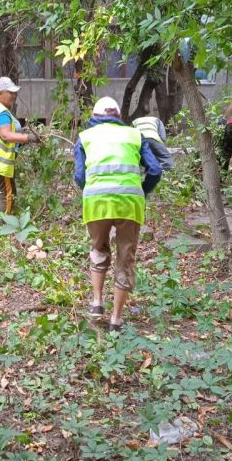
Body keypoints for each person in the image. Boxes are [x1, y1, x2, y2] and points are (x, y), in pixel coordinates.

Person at [74, 96, 162, 331]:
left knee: (98, 248)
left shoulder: (85, 137)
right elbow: (155, 169)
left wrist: (92, 191)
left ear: (94, 118)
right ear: (118, 118)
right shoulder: (134, 135)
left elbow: (80, 176)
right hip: (129, 203)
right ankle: (116, 319)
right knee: (126, 258)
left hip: (96, 203)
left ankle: (96, 303)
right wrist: (141, 191)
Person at [0, 76, 40, 213]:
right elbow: (6, 135)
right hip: (0, 162)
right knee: (8, 197)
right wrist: (29, 138)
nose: (14, 96)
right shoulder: (1, 113)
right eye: (10, 93)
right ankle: (2, 229)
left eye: (15, 92)